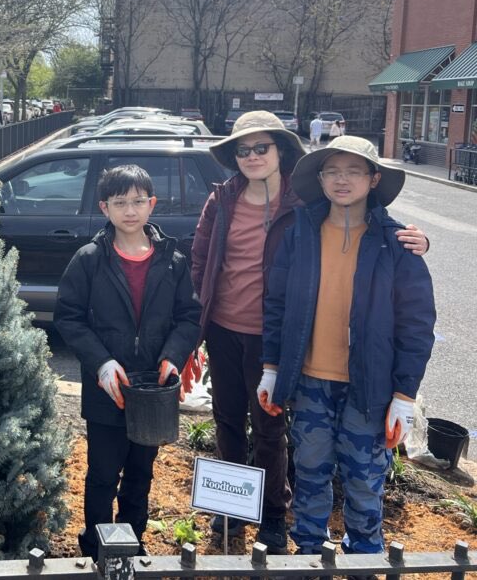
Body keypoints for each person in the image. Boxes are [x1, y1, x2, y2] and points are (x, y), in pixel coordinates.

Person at [190, 111, 429, 554]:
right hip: (228, 330)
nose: (252, 156)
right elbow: (201, 262)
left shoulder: (302, 210)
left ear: (281, 151)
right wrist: (200, 317)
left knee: (272, 429)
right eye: (243, 150)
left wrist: (417, 241)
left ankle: (276, 519)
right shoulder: (224, 200)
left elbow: (410, 310)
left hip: (281, 341)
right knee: (228, 422)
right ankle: (233, 511)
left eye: (262, 147)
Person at [256, 135, 435, 562]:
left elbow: (417, 324)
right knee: (312, 473)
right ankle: (310, 554)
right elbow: (276, 303)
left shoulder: (397, 243)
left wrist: (404, 396)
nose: (342, 180)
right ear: (320, 179)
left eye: (353, 171)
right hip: (311, 380)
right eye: (332, 171)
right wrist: (272, 367)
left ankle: (363, 558)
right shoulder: (302, 233)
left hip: (369, 390)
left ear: (373, 179)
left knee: (363, 479)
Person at [55, 165, 201, 561]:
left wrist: (173, 355)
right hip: (108, 390)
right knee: (103, 473)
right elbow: (68, 317)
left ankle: (133, 543)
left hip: (152, 390)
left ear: (152, 203)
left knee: (141, 472)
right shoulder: (89, 259)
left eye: (138, 201)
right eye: (120, 203)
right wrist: (101, 363)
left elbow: (189, 316)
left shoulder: (172, 260)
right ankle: (98, 546)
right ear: (105, 208)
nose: (130, 211)